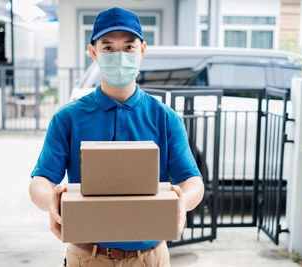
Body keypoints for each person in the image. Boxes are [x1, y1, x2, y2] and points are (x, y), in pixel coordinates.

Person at [29, 6, 204, 267]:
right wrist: (51, 199)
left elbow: (193, 181)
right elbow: (40, 182)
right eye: (108, 47)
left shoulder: (164, 118)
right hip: (87, 256)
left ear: (142, 50)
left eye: (129, 47)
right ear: (93, 52)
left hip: (151, 257)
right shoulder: (68, 118)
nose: (119, 55)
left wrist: (182, 202)